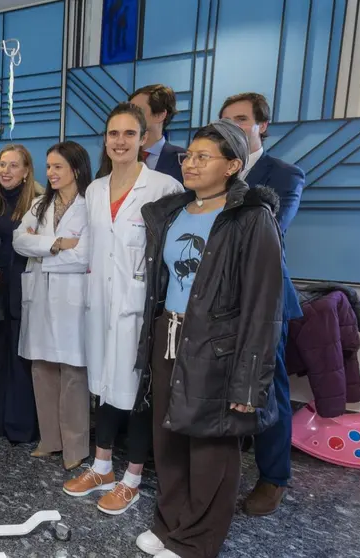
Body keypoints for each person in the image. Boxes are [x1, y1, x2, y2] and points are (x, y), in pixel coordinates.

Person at [133, 120, 284, 558]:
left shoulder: (251, 218)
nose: (191, 164)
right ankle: (171, 523)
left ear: (233, 165)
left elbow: (264, 305)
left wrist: (249, 381)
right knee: (170, 435)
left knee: (211, 445)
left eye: (203, 157)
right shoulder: (173, 211)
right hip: (169, 333)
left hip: (220, 344)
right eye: (188, 156)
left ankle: (198, 541)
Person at [64, 102, 182, 515]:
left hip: (139, 310)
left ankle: (131, 477)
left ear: (144, 138)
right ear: (105, 139)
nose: (120, 141)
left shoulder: (164, 188)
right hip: (99, 306)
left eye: (129, 134)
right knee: (105, 389)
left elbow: (169, 257)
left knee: (136, 394)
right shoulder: (95, 190)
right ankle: (101, 467)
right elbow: (87, 250)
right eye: (113, 134)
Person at [220, 91, 305, 516]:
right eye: (226, 120)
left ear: (262, 125)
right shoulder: (214, 171)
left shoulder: (284, 174)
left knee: (270, 389)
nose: (234, 127)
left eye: (241, 120)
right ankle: (221, 473)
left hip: (266, 296)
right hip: (219, 298)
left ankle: (274, 478)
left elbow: (270, 227)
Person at [14, 141, 93, 470]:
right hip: (41, 297)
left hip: (73, 300)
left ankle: (75, 448)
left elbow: (85, 254)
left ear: (75, 169)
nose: (50, 173)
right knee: (42, 369)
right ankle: (50, 440)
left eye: (57, 167)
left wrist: (42, 251)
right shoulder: (38, 205)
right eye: (48, 167)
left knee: (73, 374)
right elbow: (20, 240)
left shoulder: (90, 205)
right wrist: (57, 244)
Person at [0, 144, 40, 444]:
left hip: (25, 290)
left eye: (12, 166)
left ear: (25, 172)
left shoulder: (38, 203)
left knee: (21, 361)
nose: (5, 171)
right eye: (2, 165)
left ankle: (21, 426)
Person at [129, 84, 186, 183]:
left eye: (138, 111)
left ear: (160, 115)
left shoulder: (183, 160)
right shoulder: (118, 155)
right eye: (129, 111)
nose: (129, 116)